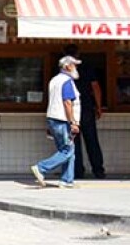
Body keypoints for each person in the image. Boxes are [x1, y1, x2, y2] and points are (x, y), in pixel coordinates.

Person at [32, 55, 82, 188]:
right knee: (67, 150)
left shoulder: (54, 80)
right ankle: (41, 168)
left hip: (53, 118)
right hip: (62, 120)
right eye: (74, 65)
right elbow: (67, 103)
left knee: (67, 149)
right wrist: (73, 122)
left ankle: (67, 180)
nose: (76, 68)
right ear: (67, 66)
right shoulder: (66, 81)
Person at [65, 45, 105, 179]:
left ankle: (77, 171)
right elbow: (95, 87)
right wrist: (99, 107)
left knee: (74, 142)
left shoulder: (63, 69)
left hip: (70, 109)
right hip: (86, 108)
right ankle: (98, 170)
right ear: (78, 54)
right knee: (92, 140)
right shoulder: (87, 67)